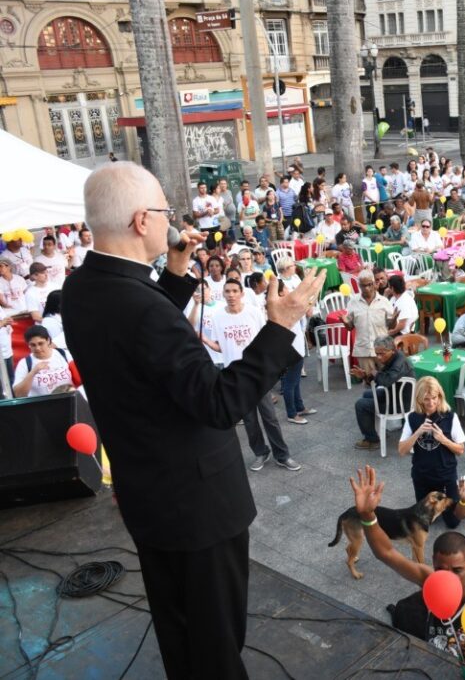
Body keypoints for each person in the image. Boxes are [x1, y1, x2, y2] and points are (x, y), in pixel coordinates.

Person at [62, 162, 325, 678]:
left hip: (149, 497)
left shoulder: (81, 288)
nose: (172, 222)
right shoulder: (143, 309)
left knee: (177, 627)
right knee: (216, 643)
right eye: (164, 211)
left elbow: (141, 353)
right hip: (198, 507)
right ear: (142, 221)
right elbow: (218, 403)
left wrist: (175, 276)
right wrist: (280, 326)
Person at [349, 466, 465, 673]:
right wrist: (368, 516)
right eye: (441, 569)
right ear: (433, 563)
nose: (448, 578)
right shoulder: (431, 579)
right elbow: (387, 553)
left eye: (457, 570)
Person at [204, 278, 300, 470]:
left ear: (241, 293)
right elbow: (222, 347)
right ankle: (260, 452)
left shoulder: (253, 313)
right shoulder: (217, 317)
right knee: (249, 420)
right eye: (227, 291)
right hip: (236, 376)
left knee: (270, 417)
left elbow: (265, 338)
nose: (231, 295)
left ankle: (282, 454)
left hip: (258, 373)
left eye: (234, 291)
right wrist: (205, 340)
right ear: (223, 294)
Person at [398, 376, 465, 529]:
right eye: (426, 399)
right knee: (424, 521)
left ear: (440, 397)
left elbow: (461, 450)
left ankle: (463, 486)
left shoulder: (450, 416)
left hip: (445, 475)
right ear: (419, 399)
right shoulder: (412, 417)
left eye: (434, 398)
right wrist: (417, 433)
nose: (431, 403)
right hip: (422, 476)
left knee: (453, 523)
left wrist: (443, 439)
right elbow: (401, 450)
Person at [343, 270, 393, 372]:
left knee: (387, 381)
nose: (366, 288)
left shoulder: (384, 302)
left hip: (382, 349)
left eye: (369, 284)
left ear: (374, 283)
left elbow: (391, 326)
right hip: (363, 349)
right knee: (368, 381)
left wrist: (395, 319)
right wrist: (345, 322)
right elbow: (350, 327)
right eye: (363, 285)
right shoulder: (353, 302)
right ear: (359, 285)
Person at [12, 324, 74, 398]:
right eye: (33, 345)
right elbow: (18, 394)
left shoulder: (64, 354)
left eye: (41, 343)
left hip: (68, 401)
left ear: (48, 340)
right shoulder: (25, 363)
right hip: (42, 406)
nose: (37, 348)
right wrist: (33, 372)